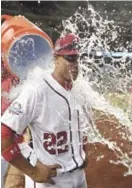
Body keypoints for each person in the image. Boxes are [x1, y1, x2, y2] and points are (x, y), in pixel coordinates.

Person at [1, 33, 88, 188]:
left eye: (77, 59)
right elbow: (4, 135)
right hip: (52, 180)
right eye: (69, 59)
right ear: (55, 59)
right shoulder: (37, 91)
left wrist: (81, 152)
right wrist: (33, 172)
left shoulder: (79, 90)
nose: (75, 64)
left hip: (79, 176)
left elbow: (81, 127)